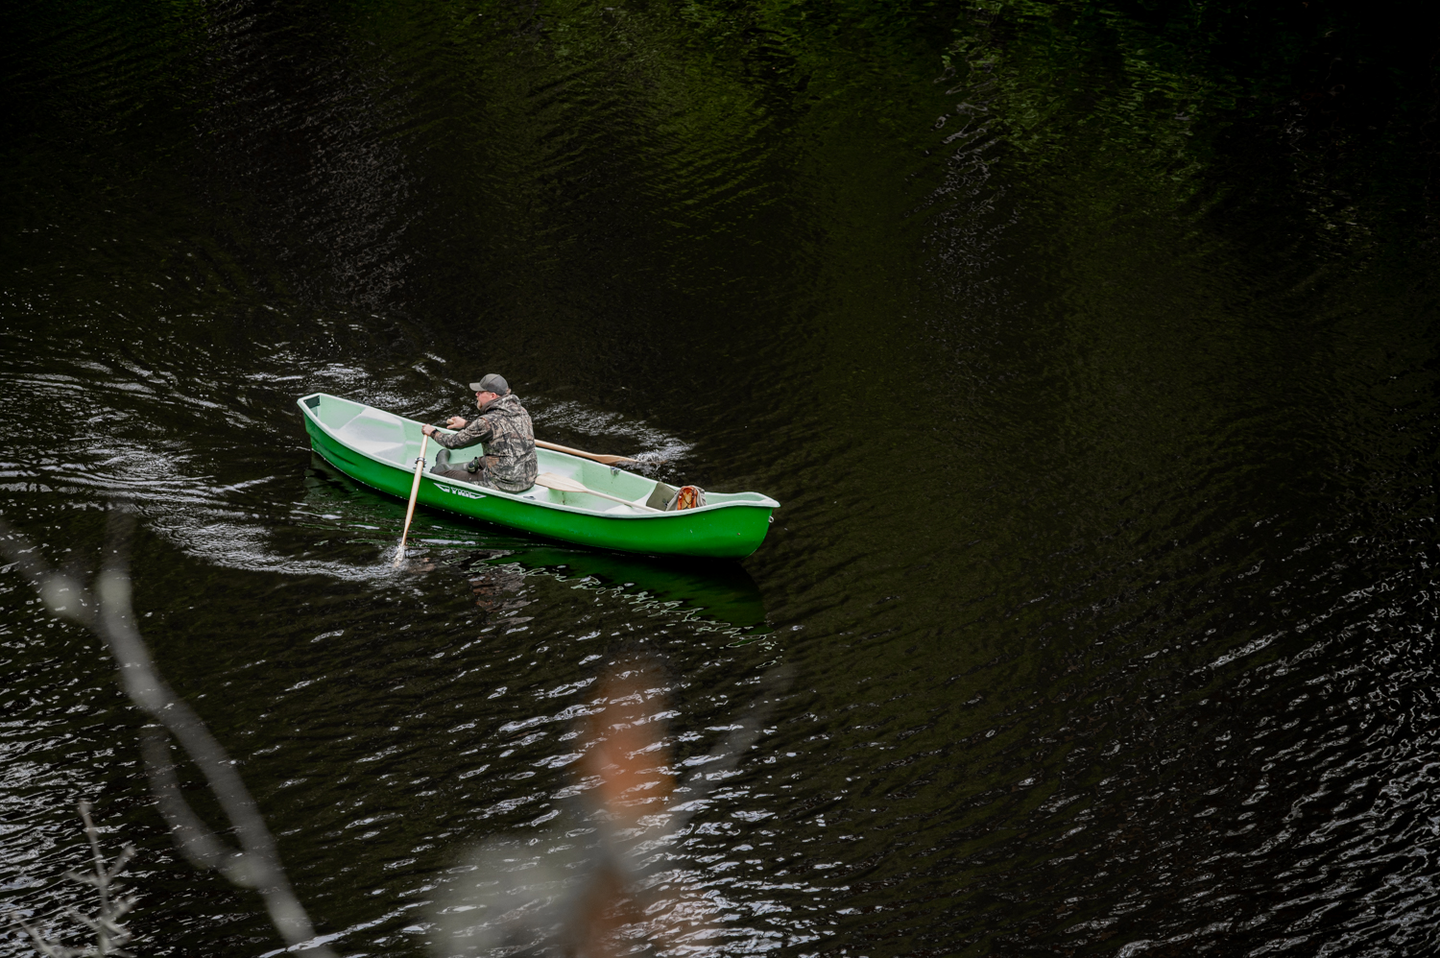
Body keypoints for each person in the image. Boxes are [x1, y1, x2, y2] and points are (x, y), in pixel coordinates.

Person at [422, 373, 538, 493]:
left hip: (504, 483)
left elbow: (453, 442)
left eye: (480, 392)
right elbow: (498, 428)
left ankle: (442, 469)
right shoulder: (521, 411)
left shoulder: (487, 421)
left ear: (492, 395)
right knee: (486, 459)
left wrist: (433, 432)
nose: (476, 394)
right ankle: (457, 466)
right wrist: (466, 424)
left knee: (444, 475)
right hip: (528, 478)